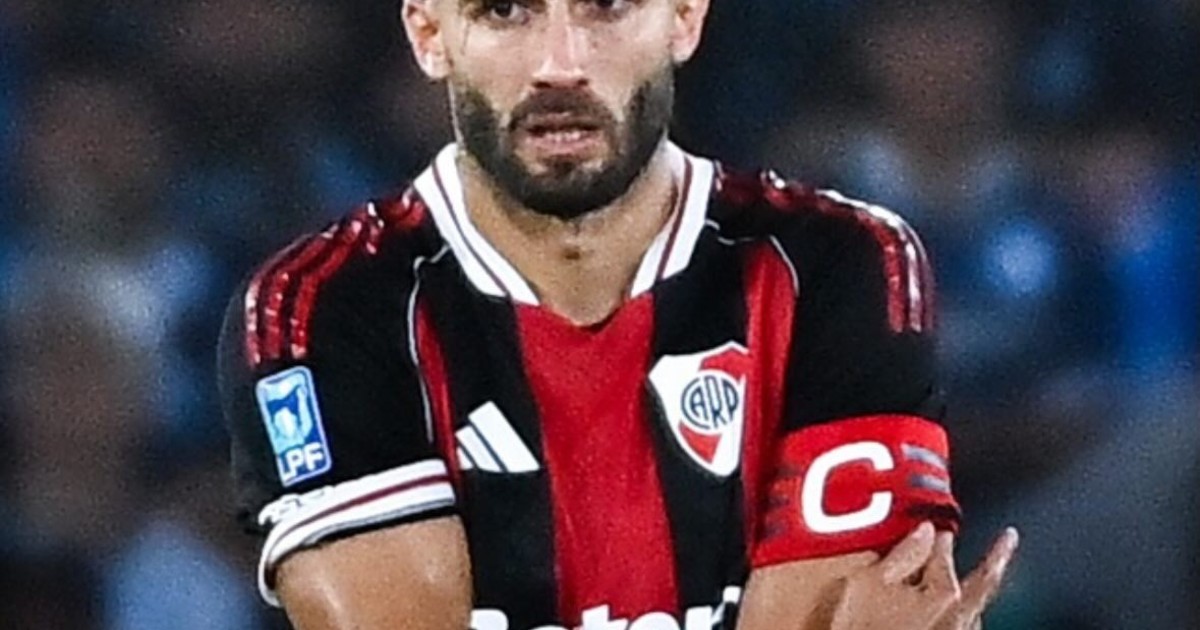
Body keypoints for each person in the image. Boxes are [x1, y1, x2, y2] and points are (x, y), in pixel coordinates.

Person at [217, 1, 1018, 628]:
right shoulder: (322, 311)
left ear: (685, 17)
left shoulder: (834, 267)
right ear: (429, 33)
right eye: (505, 10)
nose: (560, 64)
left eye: (606, 5)